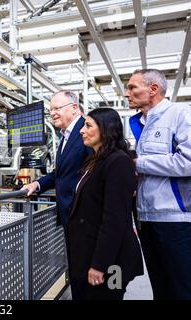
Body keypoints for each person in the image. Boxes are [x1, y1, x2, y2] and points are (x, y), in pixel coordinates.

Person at [126, 69, 191, 299]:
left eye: (133, 87)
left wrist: (138, 164)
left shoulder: (180, 114)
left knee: (182, 289)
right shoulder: (141, 123)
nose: (127, 93)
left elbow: (188, 162)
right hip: (147, 218)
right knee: (160, 287)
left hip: (175, 220)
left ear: (153, 89)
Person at [68, 108, 143, 300]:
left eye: (88, 125)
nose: (81, 131)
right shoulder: (94, 160)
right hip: (90, 254)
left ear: (106, 129)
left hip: (112, 262)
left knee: (109, 296)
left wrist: (100, 265)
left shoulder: (118, 162)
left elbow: (115, 220)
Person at [22, 91, 92, 229]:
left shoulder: (87, 130)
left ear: (73, 108)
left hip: (84, 214)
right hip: (70, 213)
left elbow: (96, 170)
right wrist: (37, 184)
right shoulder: (66, 136)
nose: (52, 113)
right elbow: (61, 173)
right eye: (50, 110)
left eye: (57, 108)